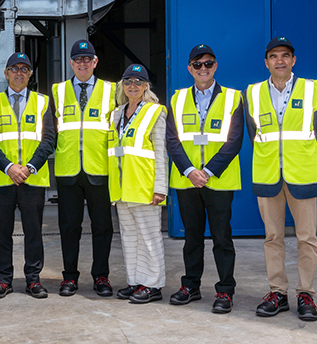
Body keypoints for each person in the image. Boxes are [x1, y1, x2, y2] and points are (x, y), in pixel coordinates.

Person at [245, 37, 317, 322]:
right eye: (273, 56)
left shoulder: (313, 88)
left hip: (302, 175)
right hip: (268, 175)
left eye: (285, 55)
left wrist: (302, 160)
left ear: (293, 60)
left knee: (307, 238)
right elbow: (253, 135)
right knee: (272, 238)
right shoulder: (253, 93)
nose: (279, 60)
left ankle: (306, 293)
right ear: (266, 62)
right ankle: (277, 292)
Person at [166, 44, 244, 314]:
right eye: (197, 65)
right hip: (188, 181)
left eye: (208, 64)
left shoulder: (234, 98)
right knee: (192, 237)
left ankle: (225, 290)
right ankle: (191, 286)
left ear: (216, 66)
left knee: (222, 237)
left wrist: (207, 172)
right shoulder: (176, 99)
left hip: (218, 181)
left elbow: (234, 142)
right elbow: (172, 141)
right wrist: (190, 171)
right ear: (189, 68)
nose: (203, 69)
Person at [0, 52, 56, 300]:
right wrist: (9, 167)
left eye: (24, 69)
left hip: (32, 179)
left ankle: (33, 280)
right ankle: (4, 280)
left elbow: (48, 140)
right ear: (6, 73)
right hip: (2, 179)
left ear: (30, 75)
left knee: (33, 232)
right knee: (2, 232)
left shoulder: (43, 101)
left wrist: (29, 167)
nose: (19, 73)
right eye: (14, 69)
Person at [53, 39, 115, 297]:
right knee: (69, 227)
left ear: (95, 62)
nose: (82, 63)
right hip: (68, 170)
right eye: (78, 59)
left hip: (99, 168)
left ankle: (101, 276)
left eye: (87, 59)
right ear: (71, 63)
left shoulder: (112, 90)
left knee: (102, 227)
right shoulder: (58, 91)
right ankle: (69, 277)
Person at [107, 64, 168, 303]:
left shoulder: (155, 112)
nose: (133, 86)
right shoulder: (116, 114)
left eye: (138, 82)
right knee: (129, 237)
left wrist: (160, 187)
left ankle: (153, 285)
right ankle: (135, 281)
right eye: (128, 81)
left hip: (144, 187)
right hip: (122, 187)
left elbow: (161, 152)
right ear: (123, 85)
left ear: (146, 86)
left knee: (149, 237)